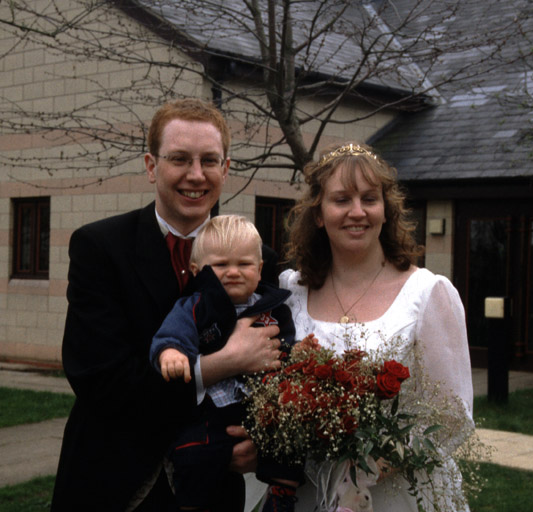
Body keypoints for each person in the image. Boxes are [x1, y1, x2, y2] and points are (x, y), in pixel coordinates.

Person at [51, 98, 282, 512]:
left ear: (226, 169)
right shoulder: (99, 247)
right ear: (151, 166)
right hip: (114, 482)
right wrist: (221, 364)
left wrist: (261, 439)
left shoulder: (258, 258)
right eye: (179, 159)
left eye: (209, 160)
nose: (196, 175)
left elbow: (277, 369)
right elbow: (99, 379)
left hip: (214, 486)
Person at [275, 142, 474, 511]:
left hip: (396, 494)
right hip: (309, 491)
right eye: (341, 200)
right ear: (318, 213)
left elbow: (451, 416)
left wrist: (367, 467)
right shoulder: (290, 290)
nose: (357, 212)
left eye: (369, 199)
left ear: (386, 211)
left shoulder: (428, 294)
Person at [149, 215, 304, 512]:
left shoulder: (273, 309)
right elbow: (173, 333)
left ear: (260, 269)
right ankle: (192, 504)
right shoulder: (196, 306)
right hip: (213, 409)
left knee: (289, 439)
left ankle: (282, 493)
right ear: (197, 271)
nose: (233, 272)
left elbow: (285, 344)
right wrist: (171, 353)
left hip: (261, 405)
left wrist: (297, 354)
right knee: (195, 451)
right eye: (221, 265)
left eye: (244, 264)